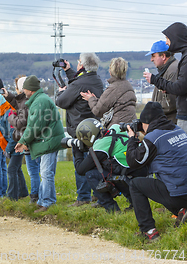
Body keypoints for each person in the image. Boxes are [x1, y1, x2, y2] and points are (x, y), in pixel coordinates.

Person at [126, 102, 187, 241]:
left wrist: (132, 139)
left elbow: (134, 162)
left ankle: (149, 231)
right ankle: (183, 210)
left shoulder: (153, 138)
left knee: (135, 184)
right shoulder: (179, 130)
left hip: (177, 193)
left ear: (147, 122)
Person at [56, 53, 104, 207]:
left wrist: (61, 91)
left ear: (82, 65)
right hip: (93, 129)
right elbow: (79, 82)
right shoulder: (96, 80)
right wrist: (69, 71)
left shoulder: (79, 84)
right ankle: (98, 194)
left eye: (78, 63)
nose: (76, 64)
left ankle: (83, 197)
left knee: (80, 164)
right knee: (95, 162)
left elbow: (62, 101)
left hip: (80, 129)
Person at [67, 119, 142, 212]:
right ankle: (134, 204)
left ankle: (112, 209)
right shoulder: (115, 128)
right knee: (112, 167)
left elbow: (80, 170)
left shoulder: (100, 146)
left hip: (128, 178)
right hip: (140, 172)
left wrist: (77, 151)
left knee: (90, 174)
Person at [15, 75, 64, 213]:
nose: (23, 90)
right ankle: (43, 200)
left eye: (25, 88)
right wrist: (23, 141)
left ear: (30, 89)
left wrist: (23, 141)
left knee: (46, 173)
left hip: (49, 141)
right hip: (47, 140)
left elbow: (35, 126)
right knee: (45, 172)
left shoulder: (40, 102)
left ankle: (47, 202)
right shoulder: (39, 100)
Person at [145, 22, 187, 132]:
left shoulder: (174, 67)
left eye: (168, 38)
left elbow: (180, 88)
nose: (167, 43)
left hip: (176, 119)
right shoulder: (181, 60)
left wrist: (156, 81)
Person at [5, 75, 40, 203]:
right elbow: (17, 103)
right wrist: (8, 95)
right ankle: (30, 193)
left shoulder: (25, 103)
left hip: (28, 140)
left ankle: (35, 195)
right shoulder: (27, 101)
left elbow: (21, 123)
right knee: (33, 170)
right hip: (30, 139)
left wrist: (10, 117)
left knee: (33, 171)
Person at [81, 57, 136, 126]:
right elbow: (116, 104)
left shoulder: (113, 88)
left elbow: (98, 111)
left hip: (118, 129)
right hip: (131, 127)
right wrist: (96, 100)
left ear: (110, 72)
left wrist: (90, 99)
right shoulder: (128, 86)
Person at [145, 40, 178, 123]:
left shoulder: (173, 70)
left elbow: (170, 103)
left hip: (171, 123)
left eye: (153, 56)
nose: (151, 59)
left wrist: (152, 109)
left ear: (163, 56)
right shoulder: (165, 70)